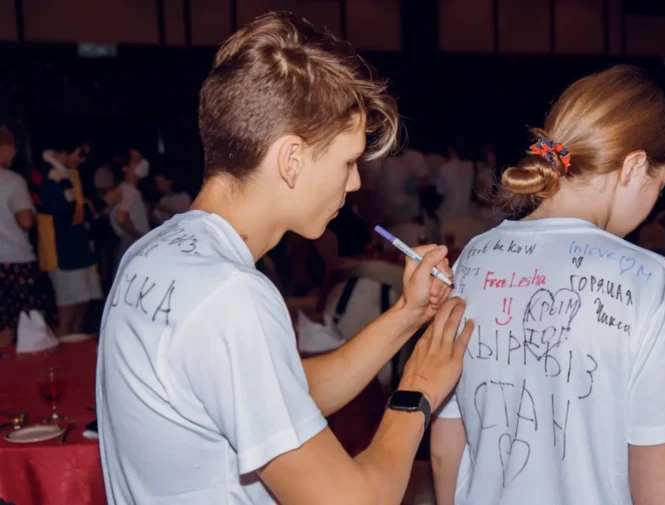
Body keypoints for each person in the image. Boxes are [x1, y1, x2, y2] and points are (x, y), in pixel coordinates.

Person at [97, 12, 473, 505]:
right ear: (291, 159)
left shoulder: (153, 252)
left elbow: (283, 394)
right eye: (347, 161)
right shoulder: (231, 296)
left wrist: (408, 315)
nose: (355, 182)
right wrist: (416, 391)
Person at [430, 65, 665, 505]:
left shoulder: (473, 258)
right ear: (635, 166)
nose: (654, 203)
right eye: (659, 186)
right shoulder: (653, 282)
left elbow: (445, 448)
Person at [34, 135, 102, 337]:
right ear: (62, 152)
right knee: (68, 313)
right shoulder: (52, 179)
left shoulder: (71, 176)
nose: (82, 160)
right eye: (79, 154)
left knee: (82, 307)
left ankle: (75, 358)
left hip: (80, 250)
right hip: (63, 253)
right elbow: (68, 214)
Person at [0, 126, 57, 346]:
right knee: (25, 326)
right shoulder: (12, 181)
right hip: (14, 263)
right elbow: (24, 221)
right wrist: (34, 216)